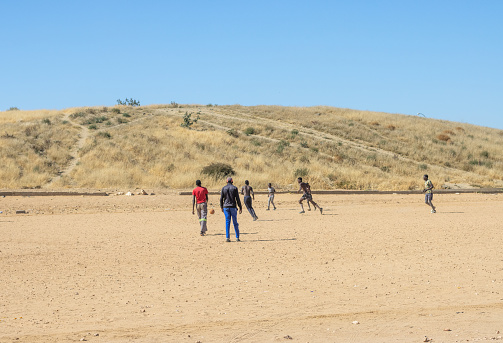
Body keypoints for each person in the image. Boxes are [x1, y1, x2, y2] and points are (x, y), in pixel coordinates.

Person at [220, 177, 243, 242]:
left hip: (226, 207)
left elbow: (221, 198)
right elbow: (237, 199)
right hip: (233, 207)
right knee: (235, 222)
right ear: (232, 181)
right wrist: (240, 207)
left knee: (227, 222)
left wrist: (221, 206)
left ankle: (227, 237)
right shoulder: (235, 188)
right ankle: (237, 237)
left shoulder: (223, 188)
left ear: (226, 181)